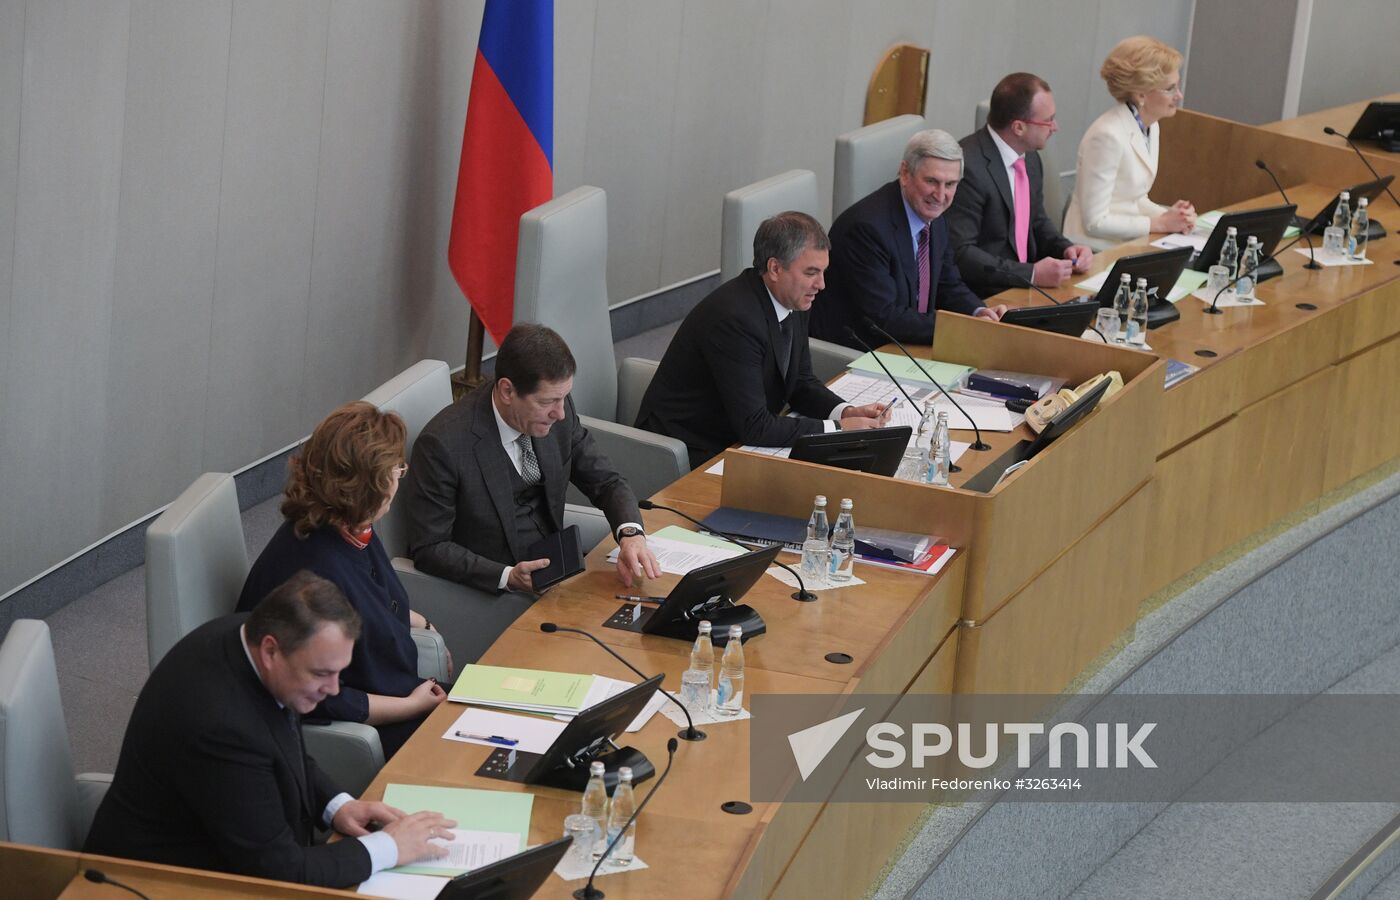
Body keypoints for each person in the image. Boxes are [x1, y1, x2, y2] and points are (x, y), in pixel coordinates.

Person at [85, 572, 456, 888]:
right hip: (158, 882)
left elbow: (286, 748)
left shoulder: (250, 637)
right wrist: (391, 847)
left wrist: (337, 805)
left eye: (339, 671)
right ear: (270, 651)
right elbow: (279, 871)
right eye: (322, 674)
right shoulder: (220, 726)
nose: (334, 689)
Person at [237, 401, 446, 759]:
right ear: (367, 487)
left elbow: (371, 600)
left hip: (402, 693)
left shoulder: (348, 524)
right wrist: (411, 706)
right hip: (378, 723)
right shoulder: (315, 575)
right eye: (396, 468)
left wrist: (422, 622)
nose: (400, 475)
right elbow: (322, 696)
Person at [404, 323, 660, 598]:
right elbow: (430, 547)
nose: (560, 413)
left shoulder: (557, 410)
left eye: (564, 398)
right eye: (548, 402)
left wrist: (631, 533)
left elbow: (606, 481)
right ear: (506, 391)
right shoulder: (443, 445)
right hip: (493, 592)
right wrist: (507, 577)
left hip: (561, 571)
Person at [634, 212, 891, 468]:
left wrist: (845, 412)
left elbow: (800, 383)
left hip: (735, 438)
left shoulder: (793, 298)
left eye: (823, 272)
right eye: (811, 272)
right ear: (775, 268)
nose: (821, 285)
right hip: (688, 450)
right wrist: (837, 429)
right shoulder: (735, 319)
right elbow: (754, 425)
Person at [809, 129, 1007, 352]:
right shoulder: (865, 229)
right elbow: (884, 318)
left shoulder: (935, 218)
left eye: (950, 184)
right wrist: (963, 327)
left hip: (908, 343)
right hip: (861, 352)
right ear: (905, 173)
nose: (941, 195)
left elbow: (948, 284)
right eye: (932, 181)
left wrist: (978, 312)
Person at [947, 72, 1094, 298]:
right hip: (985, 297)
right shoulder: (968, 168)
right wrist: (1031, 274)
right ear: (1018, 128)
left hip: (1026, 288)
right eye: (1048, 120)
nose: (1055, 127)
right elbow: (961, 254)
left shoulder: (1030, 157)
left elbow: (1035, 220)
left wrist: (1066, 249)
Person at [1063, 35, 1196, 251]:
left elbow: (1131, 198)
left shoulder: (1151, 126)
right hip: (1092, 250)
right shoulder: (1107, 136)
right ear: (1141, 94)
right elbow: (1095, 222)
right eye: (1170, 88)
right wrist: (1160, 223)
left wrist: (1173, 217)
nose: (1179, 95)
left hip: (1124, 245)